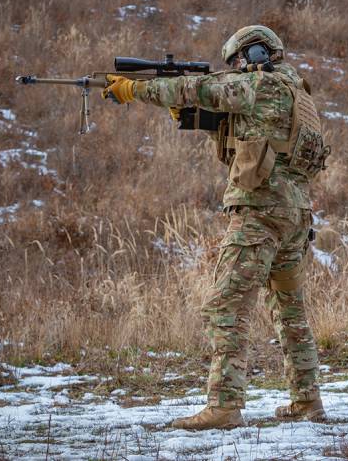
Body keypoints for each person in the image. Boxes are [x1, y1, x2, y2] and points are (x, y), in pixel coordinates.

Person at [102, 25, 330, 430]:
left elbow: (199, 90)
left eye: (241, 59)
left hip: (259, 214)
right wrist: (199, 119)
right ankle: (307, 400)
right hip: (295, 216)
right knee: (289, 311)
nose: (238, 68)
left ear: (258, 54)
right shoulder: (297, 91)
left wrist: (134, 90)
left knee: (226, 306)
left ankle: (224, 406)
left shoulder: (258, 85)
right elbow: (254, 132)